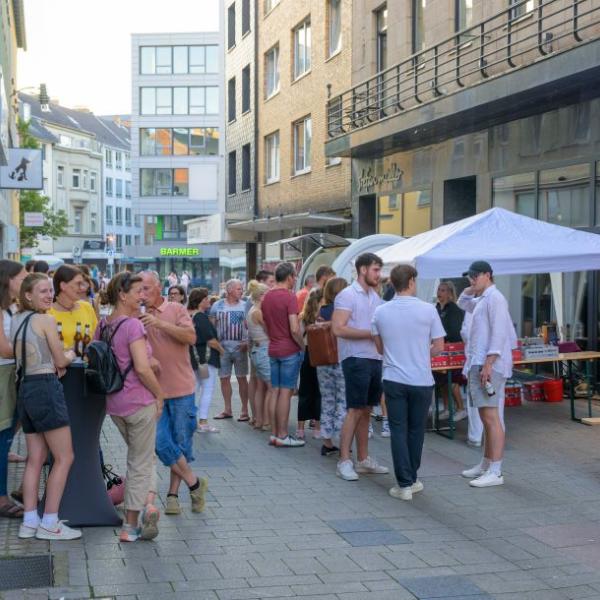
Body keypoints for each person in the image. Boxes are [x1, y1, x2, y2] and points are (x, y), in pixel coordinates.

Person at [96, 272, 164, 542]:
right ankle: (131, 524)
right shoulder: (133, 326)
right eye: (137, 291)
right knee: (140, 463)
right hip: (139, 401)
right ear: (123, 295)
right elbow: (143, 369)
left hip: (115, 404)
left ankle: (144, 507)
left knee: (143, 459)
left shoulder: (103, 325)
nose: (143, 296)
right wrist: (159, 395)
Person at [12, 273, 80, 540]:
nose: (49, 295)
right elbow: (61, 361)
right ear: (28, 295)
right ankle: (50, 522)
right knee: (65, 457)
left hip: (25, 388)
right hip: (45, 388)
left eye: (50, 290)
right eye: (43, 291)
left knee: (34, 459)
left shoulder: (17, 321)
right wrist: (72, 353)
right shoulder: (46, 320)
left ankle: (29, 521)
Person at [372, 265, 446, 500]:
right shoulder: (428, 310)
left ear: (392, 283)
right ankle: (411, 478)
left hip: (394, 378)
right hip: (422, 378)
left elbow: (379, 347)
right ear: (412, 282)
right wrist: (422, 355)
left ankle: (404, 483)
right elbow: (439, 346)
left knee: (398, 430)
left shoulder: (380, 312)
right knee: (416, 431)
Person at [139, 271, 208, 514]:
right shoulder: (136, 315)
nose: (142, 294)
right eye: (139, 289)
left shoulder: (176, 309)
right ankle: (195, 483)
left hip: (181, 388)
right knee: (160, 442)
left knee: (180, 443)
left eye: (146, 288)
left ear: (158, 288)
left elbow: (190, 337)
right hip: (152, 391)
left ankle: (172, 496)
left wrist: (159, 323)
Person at [458, 261, 517, 488]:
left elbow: (500, 332)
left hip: (488, 365)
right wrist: (471, 288)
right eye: (469, 276)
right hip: (479, 362)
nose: (472, 279)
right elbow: (463, 302)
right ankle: (486, 463)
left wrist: (489, 363)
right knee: (485, 416)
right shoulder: (482, 298)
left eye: (475, 276)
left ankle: (496, 470)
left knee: (491, 417)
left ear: (488, 275)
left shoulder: (495, 298)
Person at [332, 253, 389, 481]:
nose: (379, 274)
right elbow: (337, 328)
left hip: (374, 358)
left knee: (366, 410)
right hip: (355, 358)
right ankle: (344, 460)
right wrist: (370, 334)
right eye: (376, 269)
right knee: (355, 409)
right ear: (363, 270)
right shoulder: (347, 295)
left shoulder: (374, 295)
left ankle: (363, 459)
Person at [261, 262, 305, 447]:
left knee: (276, 391)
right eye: (294, 276)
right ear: (289, 277)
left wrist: (273, 336)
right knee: (286, 393)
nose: (295, 280)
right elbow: (295, 328)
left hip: (273, 348)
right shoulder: (289, 297)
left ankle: (274, 433)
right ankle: (284, 434)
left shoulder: (267, 297)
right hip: (289, 350)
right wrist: (301, 345)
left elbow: (264, 322)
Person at [0, 260, 27, 519]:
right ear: (8, 280)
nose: (25, 282)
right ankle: (1, 499)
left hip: (11, 373)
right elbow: (4, 348)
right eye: (22, 278)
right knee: (2, 437)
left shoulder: (12, 308)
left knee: (7, 434)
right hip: (3, 374)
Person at [316, 277, 348, 456]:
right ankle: (343, 440)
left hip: (323, 360)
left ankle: (327, 441)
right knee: (343, 401)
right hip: (341, 358)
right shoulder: (343, 311)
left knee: (327, 399)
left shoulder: (323, 309)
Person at [210, 279, 249, 421]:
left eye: (241, 288)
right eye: (239, 289)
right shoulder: (217, 305)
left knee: (242, 378)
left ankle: (245, 410)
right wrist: (216, 346)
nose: (241, 291)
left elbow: (251, 326)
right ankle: (227, 409)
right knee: (224, 378)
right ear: (230, 290)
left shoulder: (246, 306)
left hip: (241, 348)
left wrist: (248, 342)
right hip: (223, 349)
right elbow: (211, 327)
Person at [188, 288, 223, 433]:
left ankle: (192, 421)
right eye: (206, 298)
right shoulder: (200, 317)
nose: (209, 301)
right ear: (201, 301)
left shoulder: (190, 316)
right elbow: (211, 340)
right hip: (206, 359)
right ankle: (203, 422)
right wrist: (222, 351)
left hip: (196, 358)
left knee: (194, 389)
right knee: (207, 390)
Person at [435, 281, 467, 421]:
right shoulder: (436, 308)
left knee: (452, 381)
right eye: (439, 290)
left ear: (449, 293)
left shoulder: (454, 309)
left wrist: (440, 338)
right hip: (441, 350)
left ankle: (461, 409)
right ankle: (448, 408)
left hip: (454, 350)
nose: (439, 293)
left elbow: (455, 331)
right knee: (442, 381)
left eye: (442, 290)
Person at [49, 265, 98, 352]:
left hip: (88, 364)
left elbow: (96, 338)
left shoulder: (86, 307)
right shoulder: (48, 313)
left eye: (82, 284)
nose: (82, 288)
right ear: (63, 286)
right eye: (78, 284)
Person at [297, 289, 322, 440]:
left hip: (306, 354)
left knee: (305, 392)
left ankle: (300, 429)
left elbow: (299, 336)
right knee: (319, 392)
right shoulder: (322, 317)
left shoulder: (302, 317)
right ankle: (317, 428)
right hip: (320, 355)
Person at [247, 282, 272, 431]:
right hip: (263, 349)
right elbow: (269, 330)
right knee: (271, 387)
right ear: (262, 296)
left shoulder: (251, 310)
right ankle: (267, 422)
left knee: (260, 387)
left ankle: (258, 419)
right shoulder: (258, 312)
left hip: (256, 350)